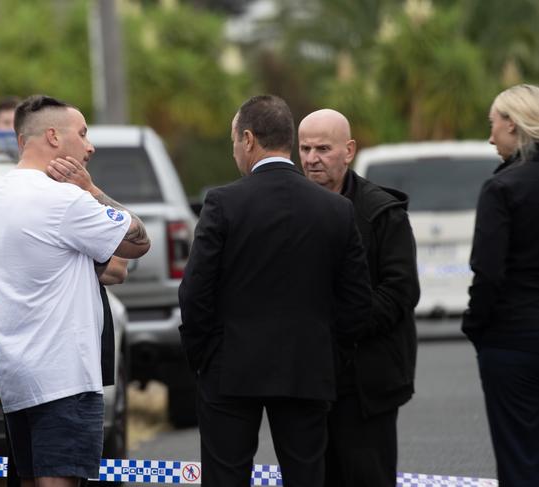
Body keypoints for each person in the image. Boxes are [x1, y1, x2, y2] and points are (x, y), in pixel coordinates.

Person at [178, 95, 372, 487]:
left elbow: (195, 292)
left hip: (229, 368)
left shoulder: (223, 203)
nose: (235, 150)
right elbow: (356, 303)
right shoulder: (335, 209)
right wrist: (329, 355)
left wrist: (203, 357)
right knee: (306, 476)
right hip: (307, 367)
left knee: (226, 476)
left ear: (248, 139)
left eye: (234, 140)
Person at [0, 94, 150, 487]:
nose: (89, 146)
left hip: (17, 375)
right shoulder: (64, 199)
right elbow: (138, 242)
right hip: (65, 377)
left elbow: (113, 267)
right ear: (53, 137)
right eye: (83, 133)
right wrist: (91, 190)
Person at [298, 109, 419, 487]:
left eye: (323, 148)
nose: (312, 158)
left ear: (349, 151)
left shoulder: (382, 213)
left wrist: (342, 324)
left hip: (368, 383)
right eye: (304, 148)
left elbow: (401, 291)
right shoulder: (290, 208)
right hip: (306, 382)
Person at [462, 83, 539, 486]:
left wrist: (475, 325)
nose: (490, 136)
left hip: (511, 339)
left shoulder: (502, 188)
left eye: (493, 125)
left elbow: (488, 272)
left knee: (519, 457)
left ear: (512, 124)